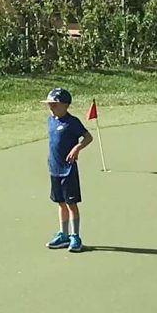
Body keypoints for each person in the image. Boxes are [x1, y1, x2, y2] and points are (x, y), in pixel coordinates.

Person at [45, 86, 93, 251]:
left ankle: (75, 237)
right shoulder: (50, 120)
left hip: (68, 169)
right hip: (54, 168)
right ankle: (63, 235)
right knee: (60, 203)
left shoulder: (72, 122)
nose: (51, 107)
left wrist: (77, 148)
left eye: (54, 105)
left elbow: (88, 137)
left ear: (65, 105)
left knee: (71, 203)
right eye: (49, 105)